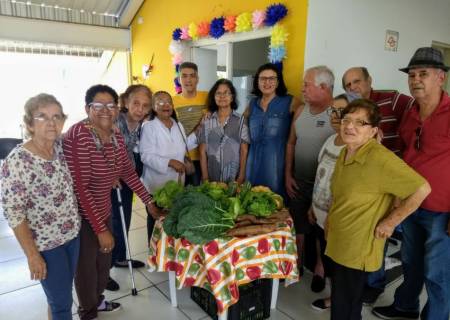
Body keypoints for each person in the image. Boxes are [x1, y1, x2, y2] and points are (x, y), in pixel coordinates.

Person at [326, 99, 431, 320]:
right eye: (346, 119)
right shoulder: (346, 151)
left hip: (358, 244)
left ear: (373, 131)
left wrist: (391, 221)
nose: (349, 126)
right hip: (339, 239)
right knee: (340, 299)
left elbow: (422, 188)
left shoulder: (380, 158)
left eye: (360, 122)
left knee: (347, 305)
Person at [63, 84, 161, 320]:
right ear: (87, 108)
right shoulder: (79, 135)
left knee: (103, 260)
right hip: (79, 214)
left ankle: (97, 301)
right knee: (86, 267)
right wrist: (100, 229)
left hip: (102, 206)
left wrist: (148, 202)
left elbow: (127, 172)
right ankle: (88, 312)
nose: (106, 110)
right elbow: (81, 189)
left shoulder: (115, 135)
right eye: (98, 105)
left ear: (118, 108)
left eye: (111, 105)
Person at [373, 47, 450, 320]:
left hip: (442, 211)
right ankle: (405, 307)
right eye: (412, 75)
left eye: (423, 74)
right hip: (410, 204)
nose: (415, 80)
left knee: (437, 273)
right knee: (411, 262)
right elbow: (406, 152)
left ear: (441, 78)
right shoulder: (411, 112)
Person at [1, 94, 81, 320]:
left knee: (61, 293)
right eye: (42, 117)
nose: (51, 122)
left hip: (72, 235)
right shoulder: (17, 161)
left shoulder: (60, 149)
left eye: (57, 116)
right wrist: (32, 255)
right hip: (46, 245)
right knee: (62, 305)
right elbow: (14, 214)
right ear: (29, 124)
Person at [342, 66, 415, 304]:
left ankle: (376, 286)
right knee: (374, 236)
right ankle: (369, 283)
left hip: (394, 180)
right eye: (347, 85)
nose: (352, 88)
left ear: (369, 81)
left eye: (356, 81)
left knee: (390, 238)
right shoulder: (351, 111)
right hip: (368, 182)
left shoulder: (392, 100)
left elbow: (416, 121)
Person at [285, 65, 335, 283]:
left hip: (325, 186)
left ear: (324, 87)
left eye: (306, 84)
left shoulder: (339, 113)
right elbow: (290, 143)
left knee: (321, 230)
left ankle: (320, 270)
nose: (302, 88)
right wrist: (288, 175)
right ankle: (296, 265)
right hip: (298, 181)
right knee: (298, 225)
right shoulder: (300, 111)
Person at [107, 84, 152, 291]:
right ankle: (103, 271)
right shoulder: (115, 121)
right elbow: (100, 148)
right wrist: (110, 172)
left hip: (126, 178)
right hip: (106, 180)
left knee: (124, 218)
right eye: (136, 103)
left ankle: (120, 258)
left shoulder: (141, 125)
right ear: (125, 102)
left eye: (145, 105)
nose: (140, 109)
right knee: (109, 223)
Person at [307, 94, 348, 311]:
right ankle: (334, 296)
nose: (336, 115)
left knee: (339, 265)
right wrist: (312, 207)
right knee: (327, 260)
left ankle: (338, 300)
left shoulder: (352, 148)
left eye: (342, 111)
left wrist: (332, 216)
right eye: (333, 110)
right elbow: (320, 177)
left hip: (337, 220)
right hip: (321, 216)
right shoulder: (330, 141)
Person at [246, 62, 300, 196]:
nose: (267, 82)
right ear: (257, 82)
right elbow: (238, 124)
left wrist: (289, 174)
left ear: (278, 81)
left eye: (272, 79)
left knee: (275, 205)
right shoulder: (252, 104)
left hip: (277, 165)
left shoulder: (291, 102)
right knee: (250, 203)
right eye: (263, 79)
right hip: (252, 164)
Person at [140, 90, 197, 202]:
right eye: (161, 102)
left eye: (169, 102)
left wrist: (198, 131)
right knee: (156, 217)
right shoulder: (148, 127)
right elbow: (146, 156)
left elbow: (184, 146)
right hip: (157, 185)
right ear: (153, 107)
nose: (166, 105)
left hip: (178, 181)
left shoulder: (178, 124)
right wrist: (169, 162)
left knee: (174, 216)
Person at [198, 79, 250, 183]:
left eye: (226, 93)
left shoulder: (241, 121)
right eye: (218, 93)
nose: (222, 96)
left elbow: (244, 151)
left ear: (232, 97)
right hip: (211, 178)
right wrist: (205, 178)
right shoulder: (207, 121)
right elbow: (202, 152)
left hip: (233, 179)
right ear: (214, 97)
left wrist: (240, 177)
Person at [172, 62, 208, 186]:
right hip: (181, 157)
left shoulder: (207, 97)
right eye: (184, 76)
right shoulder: (172, 101)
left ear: (197, 79)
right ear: (178, 79)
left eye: (192, 76)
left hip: (204, 157)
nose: (188, 80)